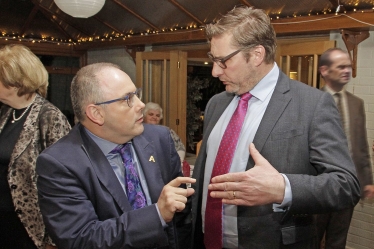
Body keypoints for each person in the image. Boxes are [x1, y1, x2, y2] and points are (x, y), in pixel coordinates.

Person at [190, 6, 361, 249]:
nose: (215, 71)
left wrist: (283, 188)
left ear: (257, 54)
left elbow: (346, 185)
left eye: (223, 61)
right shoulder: (217, 103)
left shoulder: (311, 105)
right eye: (213, 59)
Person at [36, 62, 195, 249]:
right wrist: (157, 215)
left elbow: (181, 217)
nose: (141, 105)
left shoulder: (159, 139)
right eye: (128, 99)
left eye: (136, 94)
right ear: (96, 113)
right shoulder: (60, 164)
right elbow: (81, 239)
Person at [0, 44, 71, 249]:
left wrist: (53, 239)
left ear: (14, 82)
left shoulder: (50, 117)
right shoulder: (5, 113)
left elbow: (64, 182)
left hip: (31, 230)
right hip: (5, 223)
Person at [316, 48, 374, 248]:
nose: (347, 71)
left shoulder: (357, 103)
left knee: (337, 241)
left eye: (348, 66)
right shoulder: (309, 100)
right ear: (324, 71)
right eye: (341, 67)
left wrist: (366, 180)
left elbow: (361, 145)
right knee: (309, 240)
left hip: (348, 187)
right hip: (317, 186)